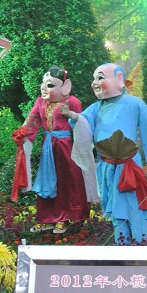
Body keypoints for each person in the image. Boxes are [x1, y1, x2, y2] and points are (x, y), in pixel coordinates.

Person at [61, 62, 147, 243]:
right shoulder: (97, 107)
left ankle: (141, 246)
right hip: (106, 167)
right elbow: (84, 122)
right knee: (116, 212)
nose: (94, 83)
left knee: (135, 208)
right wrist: (74, 116)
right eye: (94, 79)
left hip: (128, 167)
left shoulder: (134, 103)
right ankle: (122, 246)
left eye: (100, 78)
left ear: (119, 79)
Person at [12, 66, 91, 233]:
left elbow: (82, 126)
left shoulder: (72, 102)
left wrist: (70, 116)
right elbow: (31, 121)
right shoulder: (40, 102)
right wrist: (22, 134)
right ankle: (46, 217)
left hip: (67, 148)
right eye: (43, 83)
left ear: (65, 87)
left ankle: (66, 217)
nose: (43, 88)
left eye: (49, 85)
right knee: (46, 180)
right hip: (48, 147)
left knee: (66, 181)